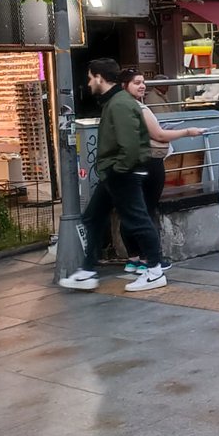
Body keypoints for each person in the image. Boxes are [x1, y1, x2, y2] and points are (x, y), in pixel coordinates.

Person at [59, 58, 166, 293]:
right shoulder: (114, 102)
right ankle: (87, 270)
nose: (88, 83)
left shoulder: (119, 104)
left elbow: (130, 145)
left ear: (99, 77)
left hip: (122, 173)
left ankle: (155, 269)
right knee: (93, 217)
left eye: (89, 78)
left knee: (137, 220)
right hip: (116, 172)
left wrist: (117, 170)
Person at [117, 69, 205, 273]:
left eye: (143, 82)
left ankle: (133, 259)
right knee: (147, 210)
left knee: (130, 211)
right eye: (136, 82)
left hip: (127, 163)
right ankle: (150, 259)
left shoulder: (116, 107)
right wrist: (187, 132)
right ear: (124, 86)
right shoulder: (139, 108)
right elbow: (159, 134)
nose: (142, 86)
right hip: (149, 161)